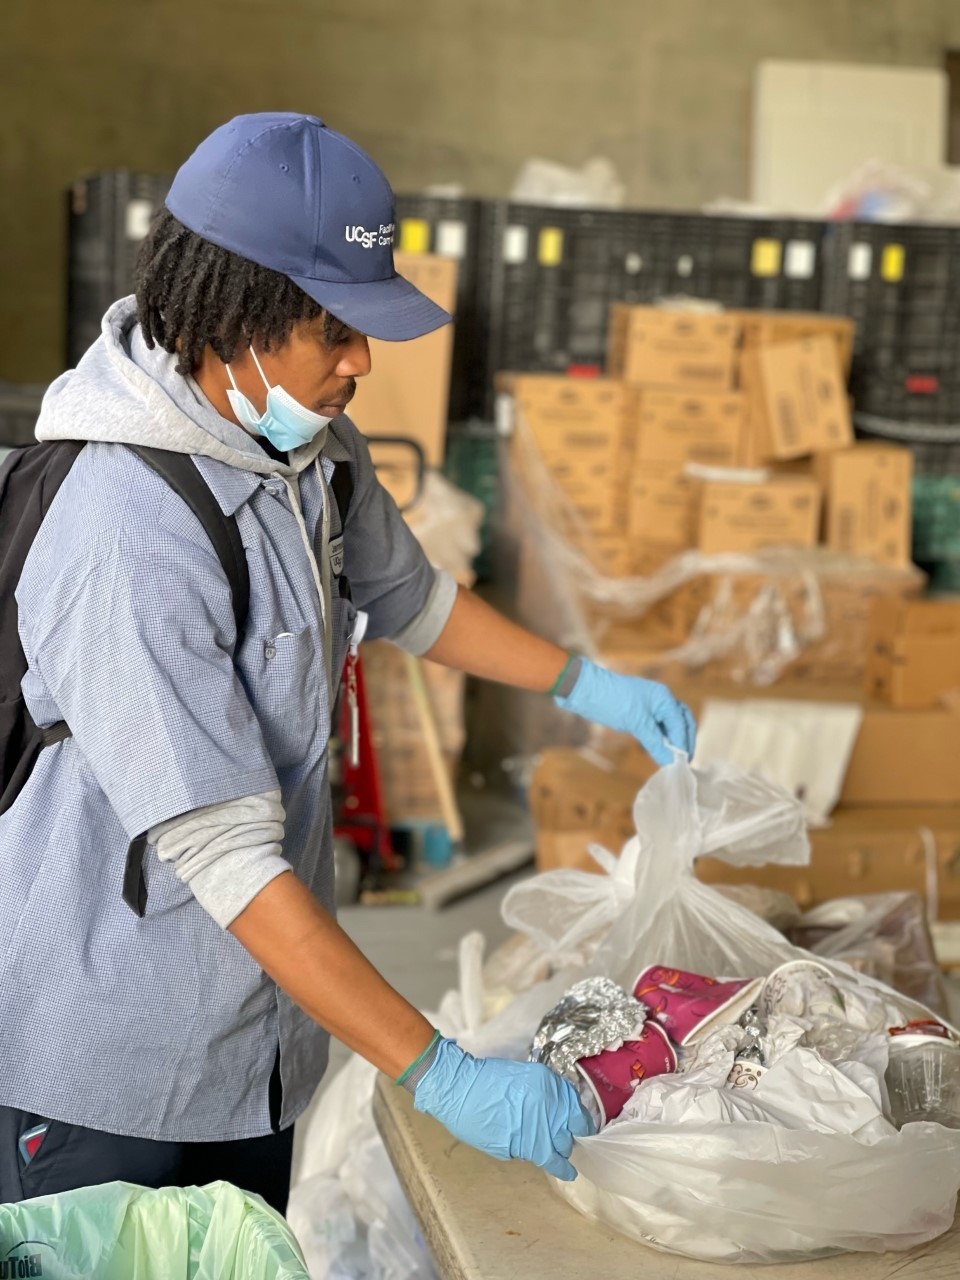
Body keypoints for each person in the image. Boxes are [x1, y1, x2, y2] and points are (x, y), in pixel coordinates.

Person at [0, 113, 695, 1210]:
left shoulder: (306, 446)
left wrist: (584, 684)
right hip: (109, 1069)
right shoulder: (124, 531)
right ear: (229, 320)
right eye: (334, 330)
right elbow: (225, 854)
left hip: (255, 1041)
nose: (362, 363)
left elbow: (410, 599)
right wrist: (441, 1070)